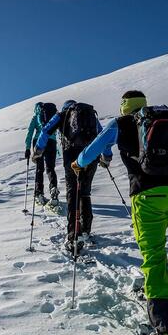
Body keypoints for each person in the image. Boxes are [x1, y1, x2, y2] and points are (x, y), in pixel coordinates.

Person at [71, 90, 168, 335]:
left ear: (123, 106)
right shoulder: (163, 121)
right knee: (155, 248)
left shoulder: (120, 124)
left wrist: (77, 162)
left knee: (153, 255)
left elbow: (91, 152)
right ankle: (151, 288)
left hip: (147, 198)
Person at [33, 100, 105, 251]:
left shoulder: (62, 115)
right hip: (91, 158)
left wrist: (38, 151)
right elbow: (102, 135)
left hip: (72, 158)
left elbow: (45, 131)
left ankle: (73, 236)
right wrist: (106, 156)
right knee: (85, 193)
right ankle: (86, 231)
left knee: (73, 194)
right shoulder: (90, 114)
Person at [24, 102, 59, 206]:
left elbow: (30, 133)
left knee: (40, 169)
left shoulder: (36, 117)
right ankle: (53, 190)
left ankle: (39, 193)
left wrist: (27, 148)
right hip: (52, 142)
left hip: (38, 143)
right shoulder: (52, 116)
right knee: (50, 168)